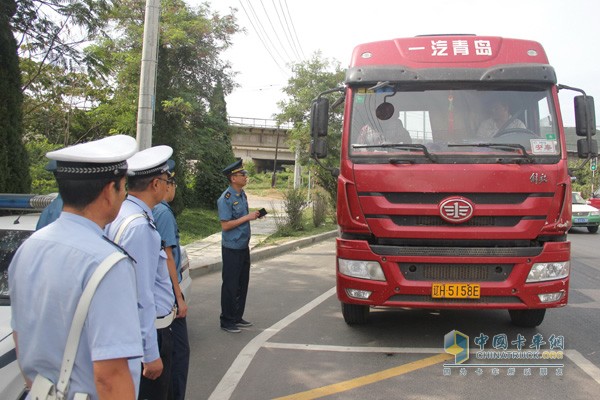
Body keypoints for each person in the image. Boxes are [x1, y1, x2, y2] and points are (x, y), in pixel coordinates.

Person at [9, 135, 143, 399]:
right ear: (108, 191)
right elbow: (110, 376)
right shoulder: (108, 264)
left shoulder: (29, 247)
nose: (125, 194)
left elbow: (19, 337)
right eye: (123, 186)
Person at [105, 146, 176, 400]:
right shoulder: (139, 226)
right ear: (156, 184)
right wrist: (150, 353)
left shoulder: (125, 213)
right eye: (168, 181)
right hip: (150, 332)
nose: (169, 186)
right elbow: (141, 294)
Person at [152, 161, 190, 400]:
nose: (172, 187)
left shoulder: (151, 210)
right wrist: (179, 298)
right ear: (162, 185)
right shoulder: (163, 212)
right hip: (167, 296)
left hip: (159, 296)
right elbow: (168, 257)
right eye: (171, 182)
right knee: (178, 355)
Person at [217, 159, 261, 333]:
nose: (245, 177)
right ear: (233, 178)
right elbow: (225, 225)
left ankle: (237, 316)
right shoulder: (225, 199)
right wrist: (247, 218)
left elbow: (241, 219)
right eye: (242, 174)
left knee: (242, 283)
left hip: (243, 245)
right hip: (231, 248)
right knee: (230, 284)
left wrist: (254, 216)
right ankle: (226, 320)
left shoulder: (242, 194)